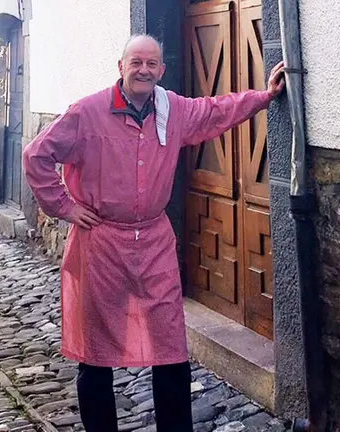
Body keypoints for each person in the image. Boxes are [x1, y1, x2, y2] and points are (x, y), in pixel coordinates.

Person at [23, 34, 285, 432]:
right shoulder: (87, 112)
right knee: (95, 353)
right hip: (102, 245)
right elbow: (37, 155)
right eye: (136, 62)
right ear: (122, 67)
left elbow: (216, 111)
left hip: (154, 242)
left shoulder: (173, 109)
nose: (144, 70)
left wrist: (263, 98)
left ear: (161, 71)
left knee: (170, 346)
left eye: (152, 64)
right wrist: (65, 207)